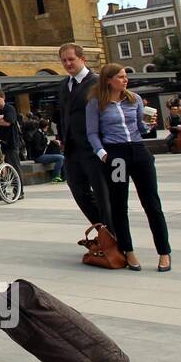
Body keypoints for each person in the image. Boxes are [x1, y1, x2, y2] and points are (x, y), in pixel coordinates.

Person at [86, 65, 172, 272]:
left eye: (126, 76)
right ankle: (128, 250)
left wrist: (149, 124)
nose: (125, 80)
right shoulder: (96, 103)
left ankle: (164, 251)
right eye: (120, 77)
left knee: (152, 203)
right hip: (116, 155)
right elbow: (92, 133)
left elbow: (142, 129)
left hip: (138, 150)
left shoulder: (135, 99)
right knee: (119, 204)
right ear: (108, 80)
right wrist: (103, 154)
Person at [56, 42, 112, 228]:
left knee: (103, 194)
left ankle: (113, 235)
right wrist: (62, 138)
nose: (67, 63)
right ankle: (102, 230)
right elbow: (63, 115)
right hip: (72, 150)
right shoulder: (64, 85)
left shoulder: (97, 82)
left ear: (82, 59)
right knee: (78, 191)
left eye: (71, 59)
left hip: (93, 148)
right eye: (64, 60)